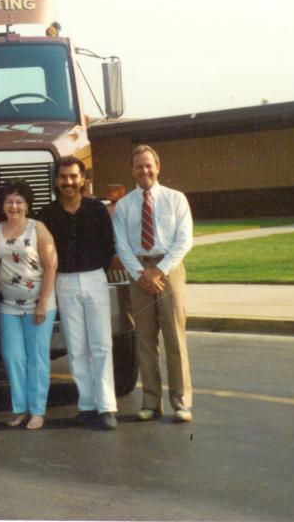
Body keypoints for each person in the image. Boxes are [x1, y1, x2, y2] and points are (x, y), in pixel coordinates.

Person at [112, 144, 194, 423]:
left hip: (168, 270)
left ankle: (181, 403)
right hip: (138, 272)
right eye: (139, 166)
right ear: (132, 170)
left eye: (149, 165)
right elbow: (121, 245)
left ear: (157, 167)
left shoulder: (176, 199)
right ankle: (150, 402)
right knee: (144, 340)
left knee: (174, 338)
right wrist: (140, 274)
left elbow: (184, 240)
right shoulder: (124, 205)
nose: (144, 170)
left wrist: (158, 271)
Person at [37, 156, 118, 430]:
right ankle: (87, 405)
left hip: (95, 278)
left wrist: (94, 270)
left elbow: (109, 246)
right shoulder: (47, 214)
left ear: (82, 179)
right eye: (63, 177)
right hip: (65, 282)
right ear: (56, 180)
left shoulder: (96, 210)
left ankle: (106, 406)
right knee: (76, 346)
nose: (69, 182)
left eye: (74, 177)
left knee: (101, 344)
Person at [0, 179, 58, 430]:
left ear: (27, 205)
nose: (14, 206)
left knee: (37, 357)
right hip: (7, 305)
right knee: (13, 357)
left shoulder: (37, 228)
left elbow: (51, 265)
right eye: (9, 201)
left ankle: (38, 411)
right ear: (2, 205)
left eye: (19, 201)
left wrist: (43, 302)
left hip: (38, 304)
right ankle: (20, 409)